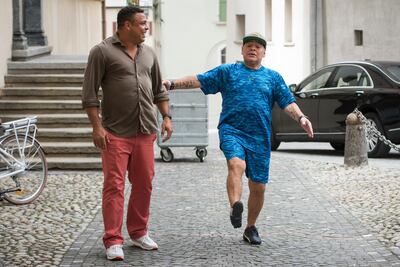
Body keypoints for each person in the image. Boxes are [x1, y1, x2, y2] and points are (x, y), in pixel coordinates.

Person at [163, 32, 313, 245]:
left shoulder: (273, 77)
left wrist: (301, 118)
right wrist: (171, 83)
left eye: (258, 46)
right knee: (236, 164)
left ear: (264, 52)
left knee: (258, 186)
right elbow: (199, 80)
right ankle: (235, 206)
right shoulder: (228, 72)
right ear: (242, 50)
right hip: (232, 130)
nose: (253, 49)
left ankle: (250, 227)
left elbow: (287, 101)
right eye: (249, 45)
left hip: (260, 137)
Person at [82, 6, 172, 261]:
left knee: (144, 185)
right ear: (126, 25)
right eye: (142, 23)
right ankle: (113, 239)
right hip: (115, 133)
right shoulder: (102, 52)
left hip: (145, 131)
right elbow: (89, 94)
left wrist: (166, 117)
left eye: (146, 23)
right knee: (114, 186)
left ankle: (138, 232)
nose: (146, 28)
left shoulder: (149, 54)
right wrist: (96, 126)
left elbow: (159, 91)